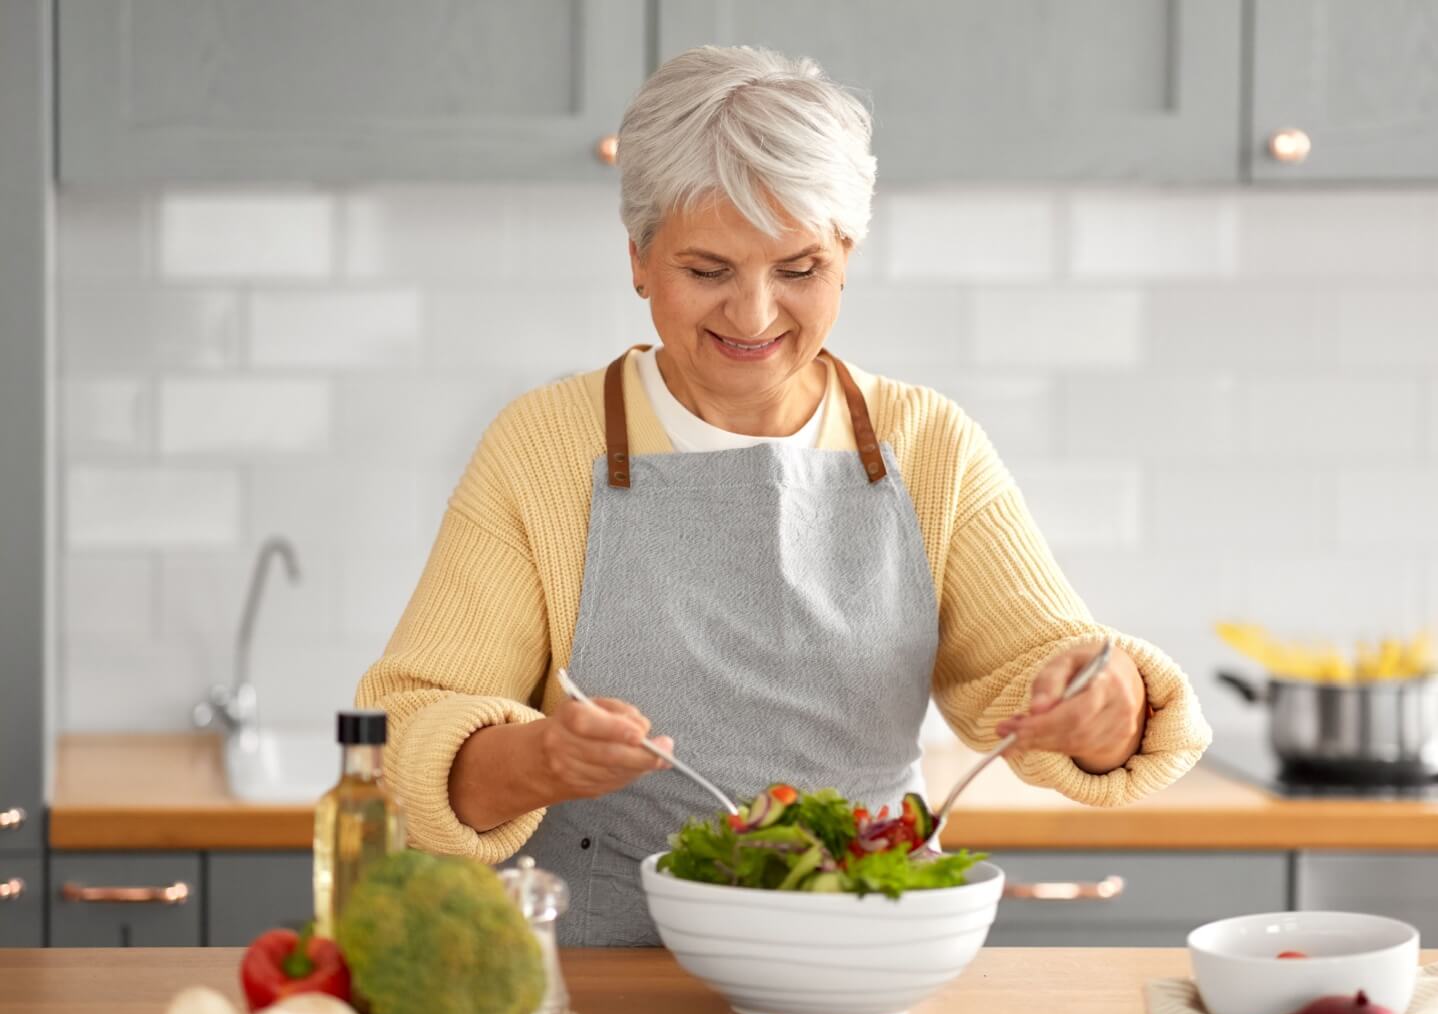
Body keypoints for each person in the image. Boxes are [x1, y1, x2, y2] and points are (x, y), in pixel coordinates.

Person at [355, 45, 1211, 946]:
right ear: (639, 259)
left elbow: (1050, 669)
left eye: (797, 270)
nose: (754, 315)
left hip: (868, 960)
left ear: (846, 253)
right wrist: (540, 759)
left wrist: (1103, 702)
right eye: (707, 270)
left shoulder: (929, 446)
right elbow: (408, 734)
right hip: (609, 982)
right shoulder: (546, 447)